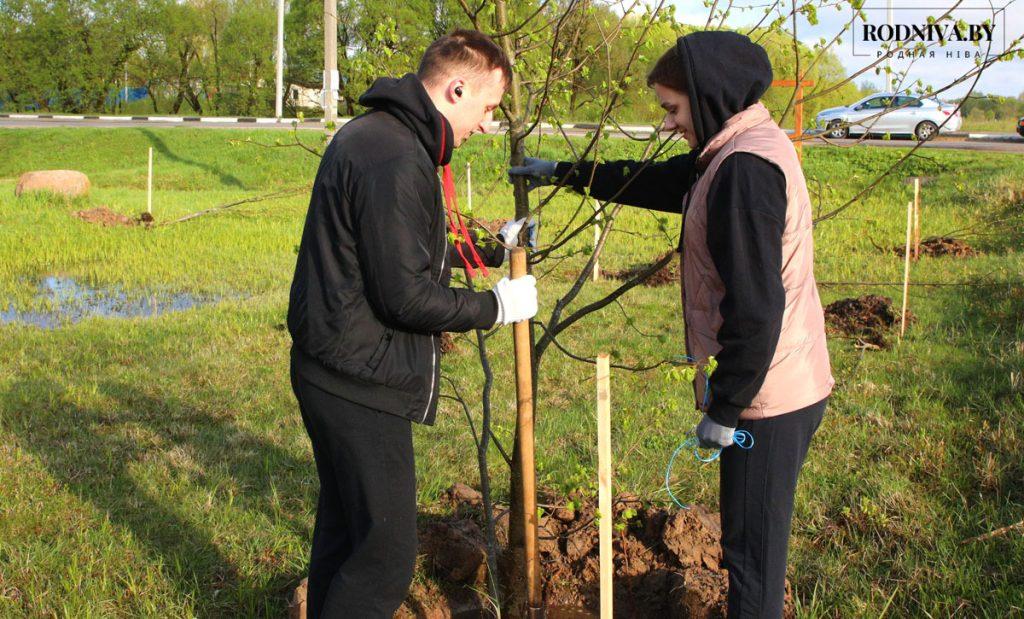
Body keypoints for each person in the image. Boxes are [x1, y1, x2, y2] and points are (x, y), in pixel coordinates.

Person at [509, 31, 833, 618]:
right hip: (778, 382)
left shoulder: (744, 174)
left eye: (672, 109)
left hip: (770, 396)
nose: (666, 124)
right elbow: (662, 182)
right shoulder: (736, 149)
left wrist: (726, 407)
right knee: (747, 547)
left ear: (708, 98)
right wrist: (565, 170)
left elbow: (757, 312)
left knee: (752, 558)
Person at [287, 30, 538, 618]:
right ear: (455, 89)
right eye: (488, 107)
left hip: (332, 367)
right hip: (358, 381)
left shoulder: (381, 137)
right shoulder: (397, 156)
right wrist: (496, 307)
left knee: (344, 535)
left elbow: (399, 241)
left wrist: (490, 248)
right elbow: (406, 297)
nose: (488, 123)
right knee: (386, 557)